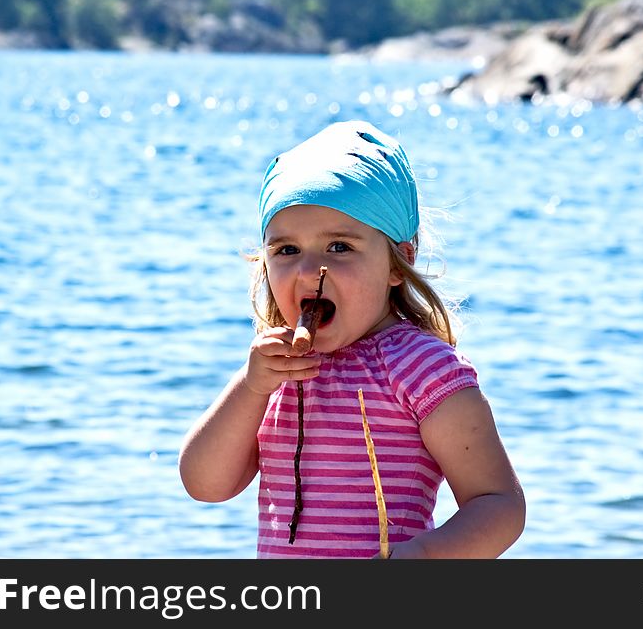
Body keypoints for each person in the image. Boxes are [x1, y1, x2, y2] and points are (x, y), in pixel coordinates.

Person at [179, 120, 525, 558]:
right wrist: (251, 388)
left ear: (400, 262)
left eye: (339, 247)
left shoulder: (421, 367)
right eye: (286, 250)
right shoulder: (273, 371)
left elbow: (499, 503)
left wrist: (427, 555)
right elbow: (205, 484)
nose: (309, 271)